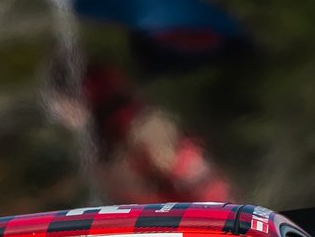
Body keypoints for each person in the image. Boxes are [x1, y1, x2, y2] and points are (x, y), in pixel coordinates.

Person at [60, 63, 232, 204]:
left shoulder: (142, 129)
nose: (63, 116)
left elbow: (202, 187)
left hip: (202, 222)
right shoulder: (111, 142)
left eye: (64, 106)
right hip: (185, 220)